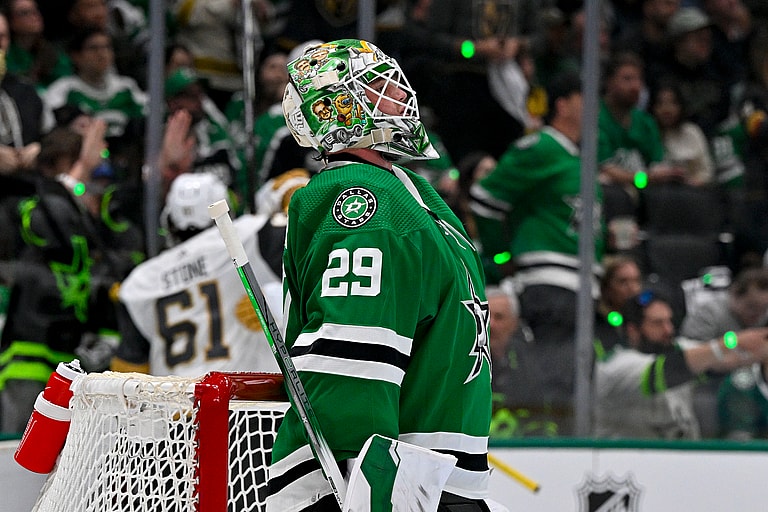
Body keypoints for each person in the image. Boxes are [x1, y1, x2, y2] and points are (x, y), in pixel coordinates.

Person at [272, 39, 493, 511]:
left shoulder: (408, 192)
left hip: (428, 476)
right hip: (380, 479)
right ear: (338, 108)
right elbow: (353, 362)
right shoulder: (361, 198)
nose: (400, 95)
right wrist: (360, 482)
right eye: (378, 88)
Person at [469, 70, 603, 435]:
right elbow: (485, 198)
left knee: (574, 386)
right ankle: (548, 446)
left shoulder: (578, 157)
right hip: (550, 286)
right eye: (584, 97)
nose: (594, 107)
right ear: (562, 105)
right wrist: (501, 257)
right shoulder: (541, 147)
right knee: (555, 389)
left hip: (580, 289)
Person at [111, 169, 309, 376]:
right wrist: (292, 189)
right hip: (244, 390)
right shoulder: (251, 236)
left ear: (168, 221)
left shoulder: (140, 282)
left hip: (176, 394)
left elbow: (128, 369)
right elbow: (308, 231)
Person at [0, 119, 127, 433]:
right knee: (19, 445)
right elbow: (52, 225)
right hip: (28, 356)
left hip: (67, 359)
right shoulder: (37, 203)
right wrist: (81, 167)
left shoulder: (79, 214)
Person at [593, 289, 768, 439]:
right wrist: (731, 342)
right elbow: (668, 371)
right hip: (628, 460)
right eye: (658, 323)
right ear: (633, 331)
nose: (668, 330)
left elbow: (718, 361)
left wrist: (757, 347)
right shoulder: (616, 366)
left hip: (681, 458)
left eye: (669, 321)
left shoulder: (675, 349)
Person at [679, 266, 768, 437]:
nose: (757, 315)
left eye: (763, 309)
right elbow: (688, 354)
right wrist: (728, 350)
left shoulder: (763, 319)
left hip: (749, 384)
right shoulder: (709, 314)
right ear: (734, 295)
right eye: (751, 307)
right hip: (707, 383)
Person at [0, 11, 45, 175]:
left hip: (27, 182)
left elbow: (49, 134)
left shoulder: (25, 90)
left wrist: (40, 149)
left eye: (2, 37)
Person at [649, 79, 715, 186]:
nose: (666, 109)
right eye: (660, 103)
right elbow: (640, 174)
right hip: (655, 190)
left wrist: (691, 183)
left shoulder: (692, 132)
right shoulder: (648, 133)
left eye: (672, 103)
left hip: (692, 190)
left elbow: (707, 172)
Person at [594, 254, 644, 355]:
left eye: (636, 281)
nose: (633, 288)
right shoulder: (595, 323)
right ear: (606, 288)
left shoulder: (644, 320)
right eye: (623, 282)